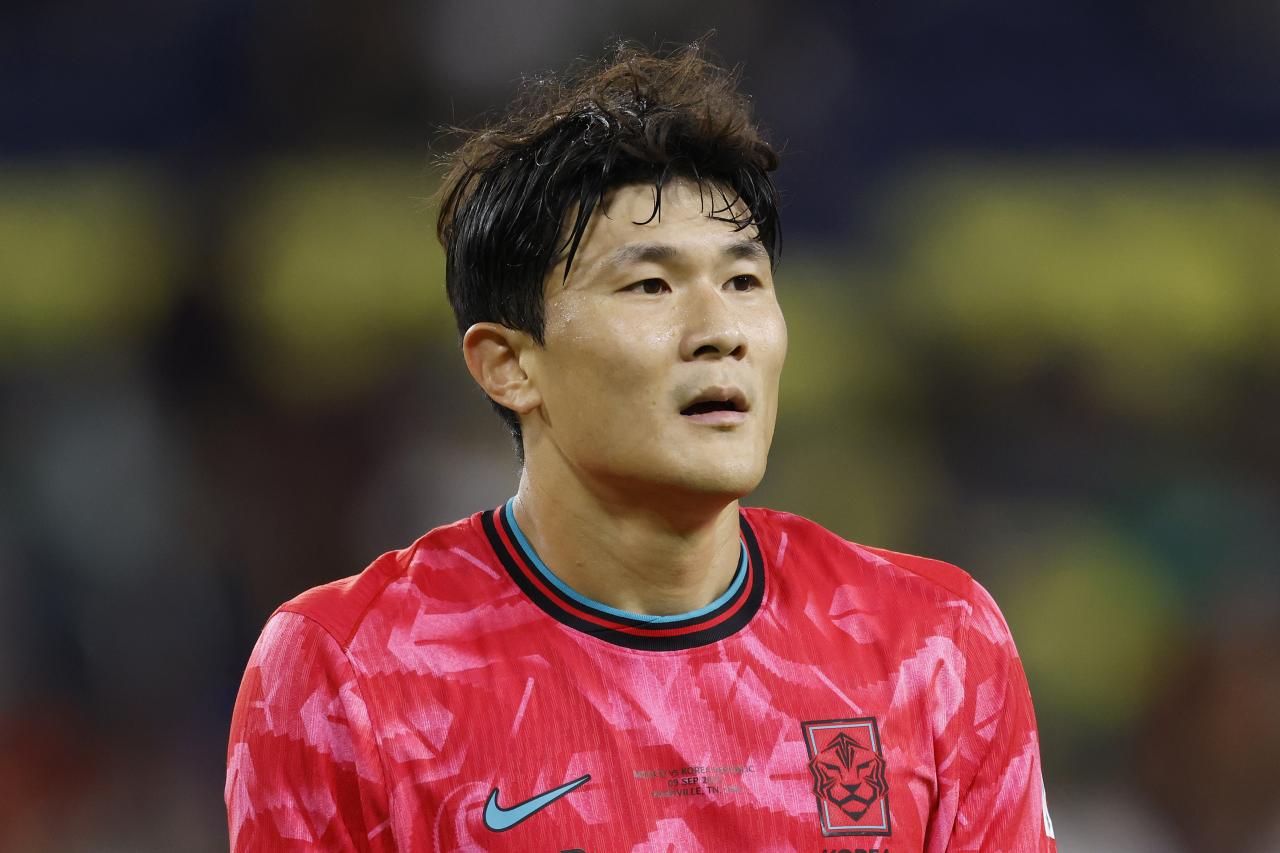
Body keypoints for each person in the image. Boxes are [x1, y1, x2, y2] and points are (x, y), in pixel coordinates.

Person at [225, 42, 1056, 852]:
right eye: (650, 285)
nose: (720, 331)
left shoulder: (935, 644)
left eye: (744, 281)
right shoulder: (347, 669)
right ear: (509, 365)